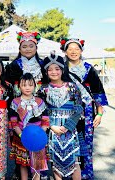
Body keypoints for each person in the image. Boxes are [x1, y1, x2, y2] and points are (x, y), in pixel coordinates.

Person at [60, 38, 108, 179]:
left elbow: (97, 91)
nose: (73, 51)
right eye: (70, 48)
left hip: (86, 111)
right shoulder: (61, 68)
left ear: (81, 51)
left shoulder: (88, 68)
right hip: (66, 110)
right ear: (65, 51)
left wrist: (99, 114)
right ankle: (67, 174)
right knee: (66, 141)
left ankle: (85, 174)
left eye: (77, 48)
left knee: (85, 143)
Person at [38, 53, 84, 180]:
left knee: (75, 162)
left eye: (57, 69)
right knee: (55, 162)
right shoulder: (43, 89)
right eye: (50, 69)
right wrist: (52, 126)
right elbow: (42, 111)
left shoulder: (72, 87)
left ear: (62, 70)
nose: (54, 72)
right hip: (52, 130)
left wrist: (68, 126)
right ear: (46, 72)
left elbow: (79, 107)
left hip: (70, 129)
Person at [8, 73, 49, 180]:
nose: (27, 88)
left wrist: (40, 134)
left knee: (38, 163)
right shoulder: (15, 102)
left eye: (30, 85)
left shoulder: (40, 102)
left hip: (37, 136)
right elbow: (13, 122)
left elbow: (45, 119)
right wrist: (22, 135)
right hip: (21, 135)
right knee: (23, 163)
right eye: (24, 85)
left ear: (35, 86)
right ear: (19, 86)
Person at [5, 32, 47, 97]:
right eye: (24, 47)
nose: (28, 49)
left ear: (36, 48)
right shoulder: (13, 66)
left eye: (31, 46)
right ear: (20, 49)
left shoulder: (43, 65)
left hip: (40, 101)